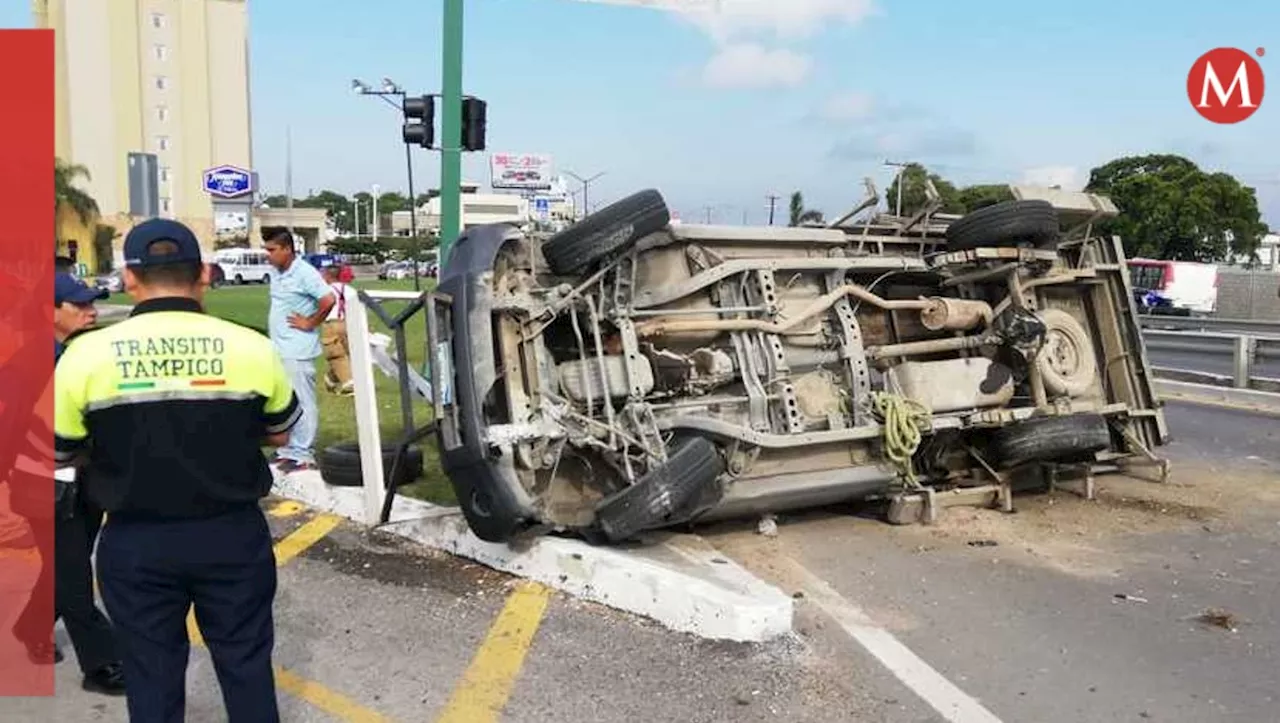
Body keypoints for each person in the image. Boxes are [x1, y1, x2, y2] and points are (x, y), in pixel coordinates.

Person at [53, 218, 302, 722]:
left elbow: (59, 452)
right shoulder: (251, 346)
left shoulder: (84, 356)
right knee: (246, 665)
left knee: (152, 675)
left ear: (129, 279)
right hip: (232, 535)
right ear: (204, 274)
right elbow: (281, 433)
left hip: (135, 542)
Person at [11, 272, 126, 695]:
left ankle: (30, 626)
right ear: (49, 311)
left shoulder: (84, 355)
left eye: (92, 302)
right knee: (74, 574)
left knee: (64, 564)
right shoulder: (28, 362)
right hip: (45, 483)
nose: (91, 310)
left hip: (84, 480)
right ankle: (102, 664)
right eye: (78, 305)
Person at [262, 228, 334, 473]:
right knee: (285, 399)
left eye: (272, 250)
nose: (267, 255)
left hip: (298, 348)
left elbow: (328, 300)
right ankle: (288, 449)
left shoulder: (304, 272)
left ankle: (303, 452)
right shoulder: (276, 272)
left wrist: (310, 322)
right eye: (266, 249)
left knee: (303, 400)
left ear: (287, 249)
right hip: (279, 347)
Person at [318, 261, 356, 395]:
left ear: (327, 276)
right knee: (347, 353)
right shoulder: (351, 291)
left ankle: (347, 383)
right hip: (348, 323)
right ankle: (332, 379)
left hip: (330, 324)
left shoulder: (323, 291)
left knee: (336, 355)